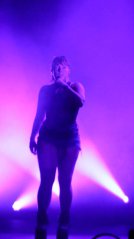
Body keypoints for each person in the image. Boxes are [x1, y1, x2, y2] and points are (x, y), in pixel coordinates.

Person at [29, 56, 85, 239]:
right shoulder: (45, 91)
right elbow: (39, 115)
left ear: (68, 69)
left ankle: (64, 222)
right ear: (51, 71)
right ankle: (42, 222)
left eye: (62, 67)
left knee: (65, 182)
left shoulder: (76, 86)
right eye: (55, 67)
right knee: (46, 181)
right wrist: (32, 136)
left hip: (70, 140)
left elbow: (80, 102)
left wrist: (63, 86)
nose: (58, 70)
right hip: (48, 138)